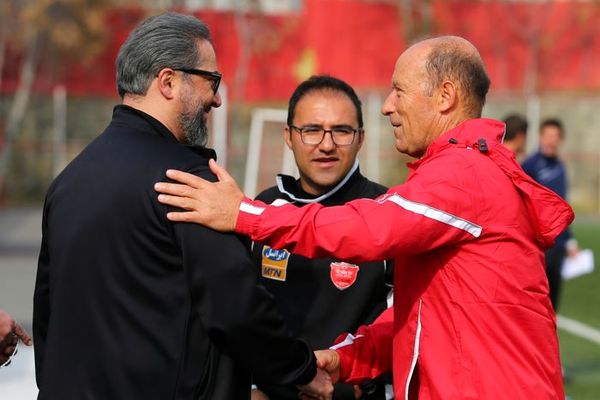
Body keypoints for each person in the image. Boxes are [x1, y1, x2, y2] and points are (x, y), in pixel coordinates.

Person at [154, 35, 575, 399]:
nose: (387, 106)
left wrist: (244, 213)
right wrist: (349, 359)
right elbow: (419, 314)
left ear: (445, 96)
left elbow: (366, 229)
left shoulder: (464, 174)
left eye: (399, 91)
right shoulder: (458, 173)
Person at [33, 13, 332, 400]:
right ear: (169, 82)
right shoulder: (188, 183)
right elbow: (236, 308)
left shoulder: (68, 182)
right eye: (212, 81)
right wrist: (300, 370)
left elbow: (48, 316)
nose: (217, 98)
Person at [249, 75, 392, 400]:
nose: (326, 145)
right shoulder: (264, 209)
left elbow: (408, 322)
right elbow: (245, 313)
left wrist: (365, 384)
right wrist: (254, 386)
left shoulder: (387, 212)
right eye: (312, 130)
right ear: (289, 136)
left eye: (341, 131)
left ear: (360, 138)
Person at [522, 118, 575, 311]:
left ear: (561, 140)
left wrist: (570, 241)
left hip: (558, 244)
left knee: (553, 304)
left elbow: (562, 206)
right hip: (539, 243)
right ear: (540, 137)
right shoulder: (530, 165)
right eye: (548, 136)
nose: (551, 140)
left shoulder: (560, 166)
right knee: (535, 302)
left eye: (556, 136)